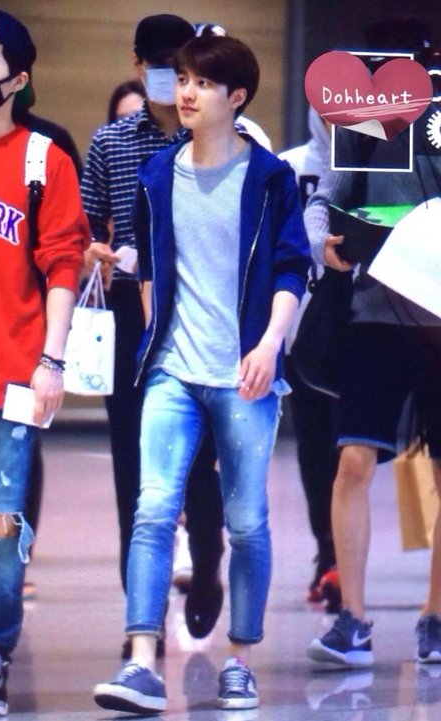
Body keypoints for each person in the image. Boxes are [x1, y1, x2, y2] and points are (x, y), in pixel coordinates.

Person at [92, 34, 311, 714]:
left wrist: (269, 344)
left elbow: (292, 268)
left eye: (203, 83)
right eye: (183, 79)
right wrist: (156, 338)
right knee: (155, 508)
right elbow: (149, 266)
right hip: (173, 373)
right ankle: (140, 660)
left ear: (236, 96)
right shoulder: (158, 173)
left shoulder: (269, 177)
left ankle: (240, 660)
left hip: (245, 374)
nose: (186, 92)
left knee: (246, 521)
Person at [81, 14, 225, 656]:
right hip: (127, 314)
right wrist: (97, 250)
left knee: (200, 461)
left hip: (200, 312)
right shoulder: (111, 143)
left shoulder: (219, 135)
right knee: (133, 470)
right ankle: (141, 618)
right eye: (160, 63)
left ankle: (208, 564)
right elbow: (84, 226)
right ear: (139, 65)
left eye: (182, 63)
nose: (172, 77)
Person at [0, 8, 89, 717]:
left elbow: (64, 265)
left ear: (17, 80)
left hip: (10, 372)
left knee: (1, 525)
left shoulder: (45, 159)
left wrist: (52, 360)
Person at [305, 17, 441, 668]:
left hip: (439, 321)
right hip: (373, 314)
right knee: (353, 461)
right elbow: (324, 201)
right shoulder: (364, 124)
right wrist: (322, 242)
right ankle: (352, 620)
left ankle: (435, 616)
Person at [279, 108, 341, 612]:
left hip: (365, 325)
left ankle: (339, 557)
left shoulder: (384, 166)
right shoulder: (288, 168)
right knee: (315, 449)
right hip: (301, 329)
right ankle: (328, 553)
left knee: (353, 449)